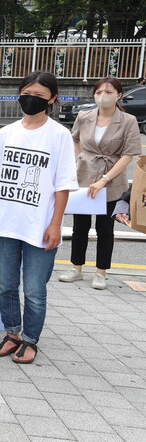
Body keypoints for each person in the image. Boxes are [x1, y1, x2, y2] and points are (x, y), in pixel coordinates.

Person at [0, 71, 78, 364]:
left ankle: (31, 340)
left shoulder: (59, 135)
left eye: (39, 96)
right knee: (5, 285)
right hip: (6, 223)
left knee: (34, 289)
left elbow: (63, 185)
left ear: (52, 100)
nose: (30, 99)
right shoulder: (6, 133)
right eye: (26, 93)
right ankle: (12, 334)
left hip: (40, 225)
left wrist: (56, 223)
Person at [60, 77, 141, 289]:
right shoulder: (84, 116)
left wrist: (104, 179)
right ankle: (76, 268)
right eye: (98, 92)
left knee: (105, 229)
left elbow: (128, 154)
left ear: (119, 95)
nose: (102, 96)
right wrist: (80, 159)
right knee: (80, 226)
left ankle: (101, 272)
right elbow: (75, 138)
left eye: (108, 92)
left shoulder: (128, 121)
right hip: (84, 177)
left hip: (112, 181)